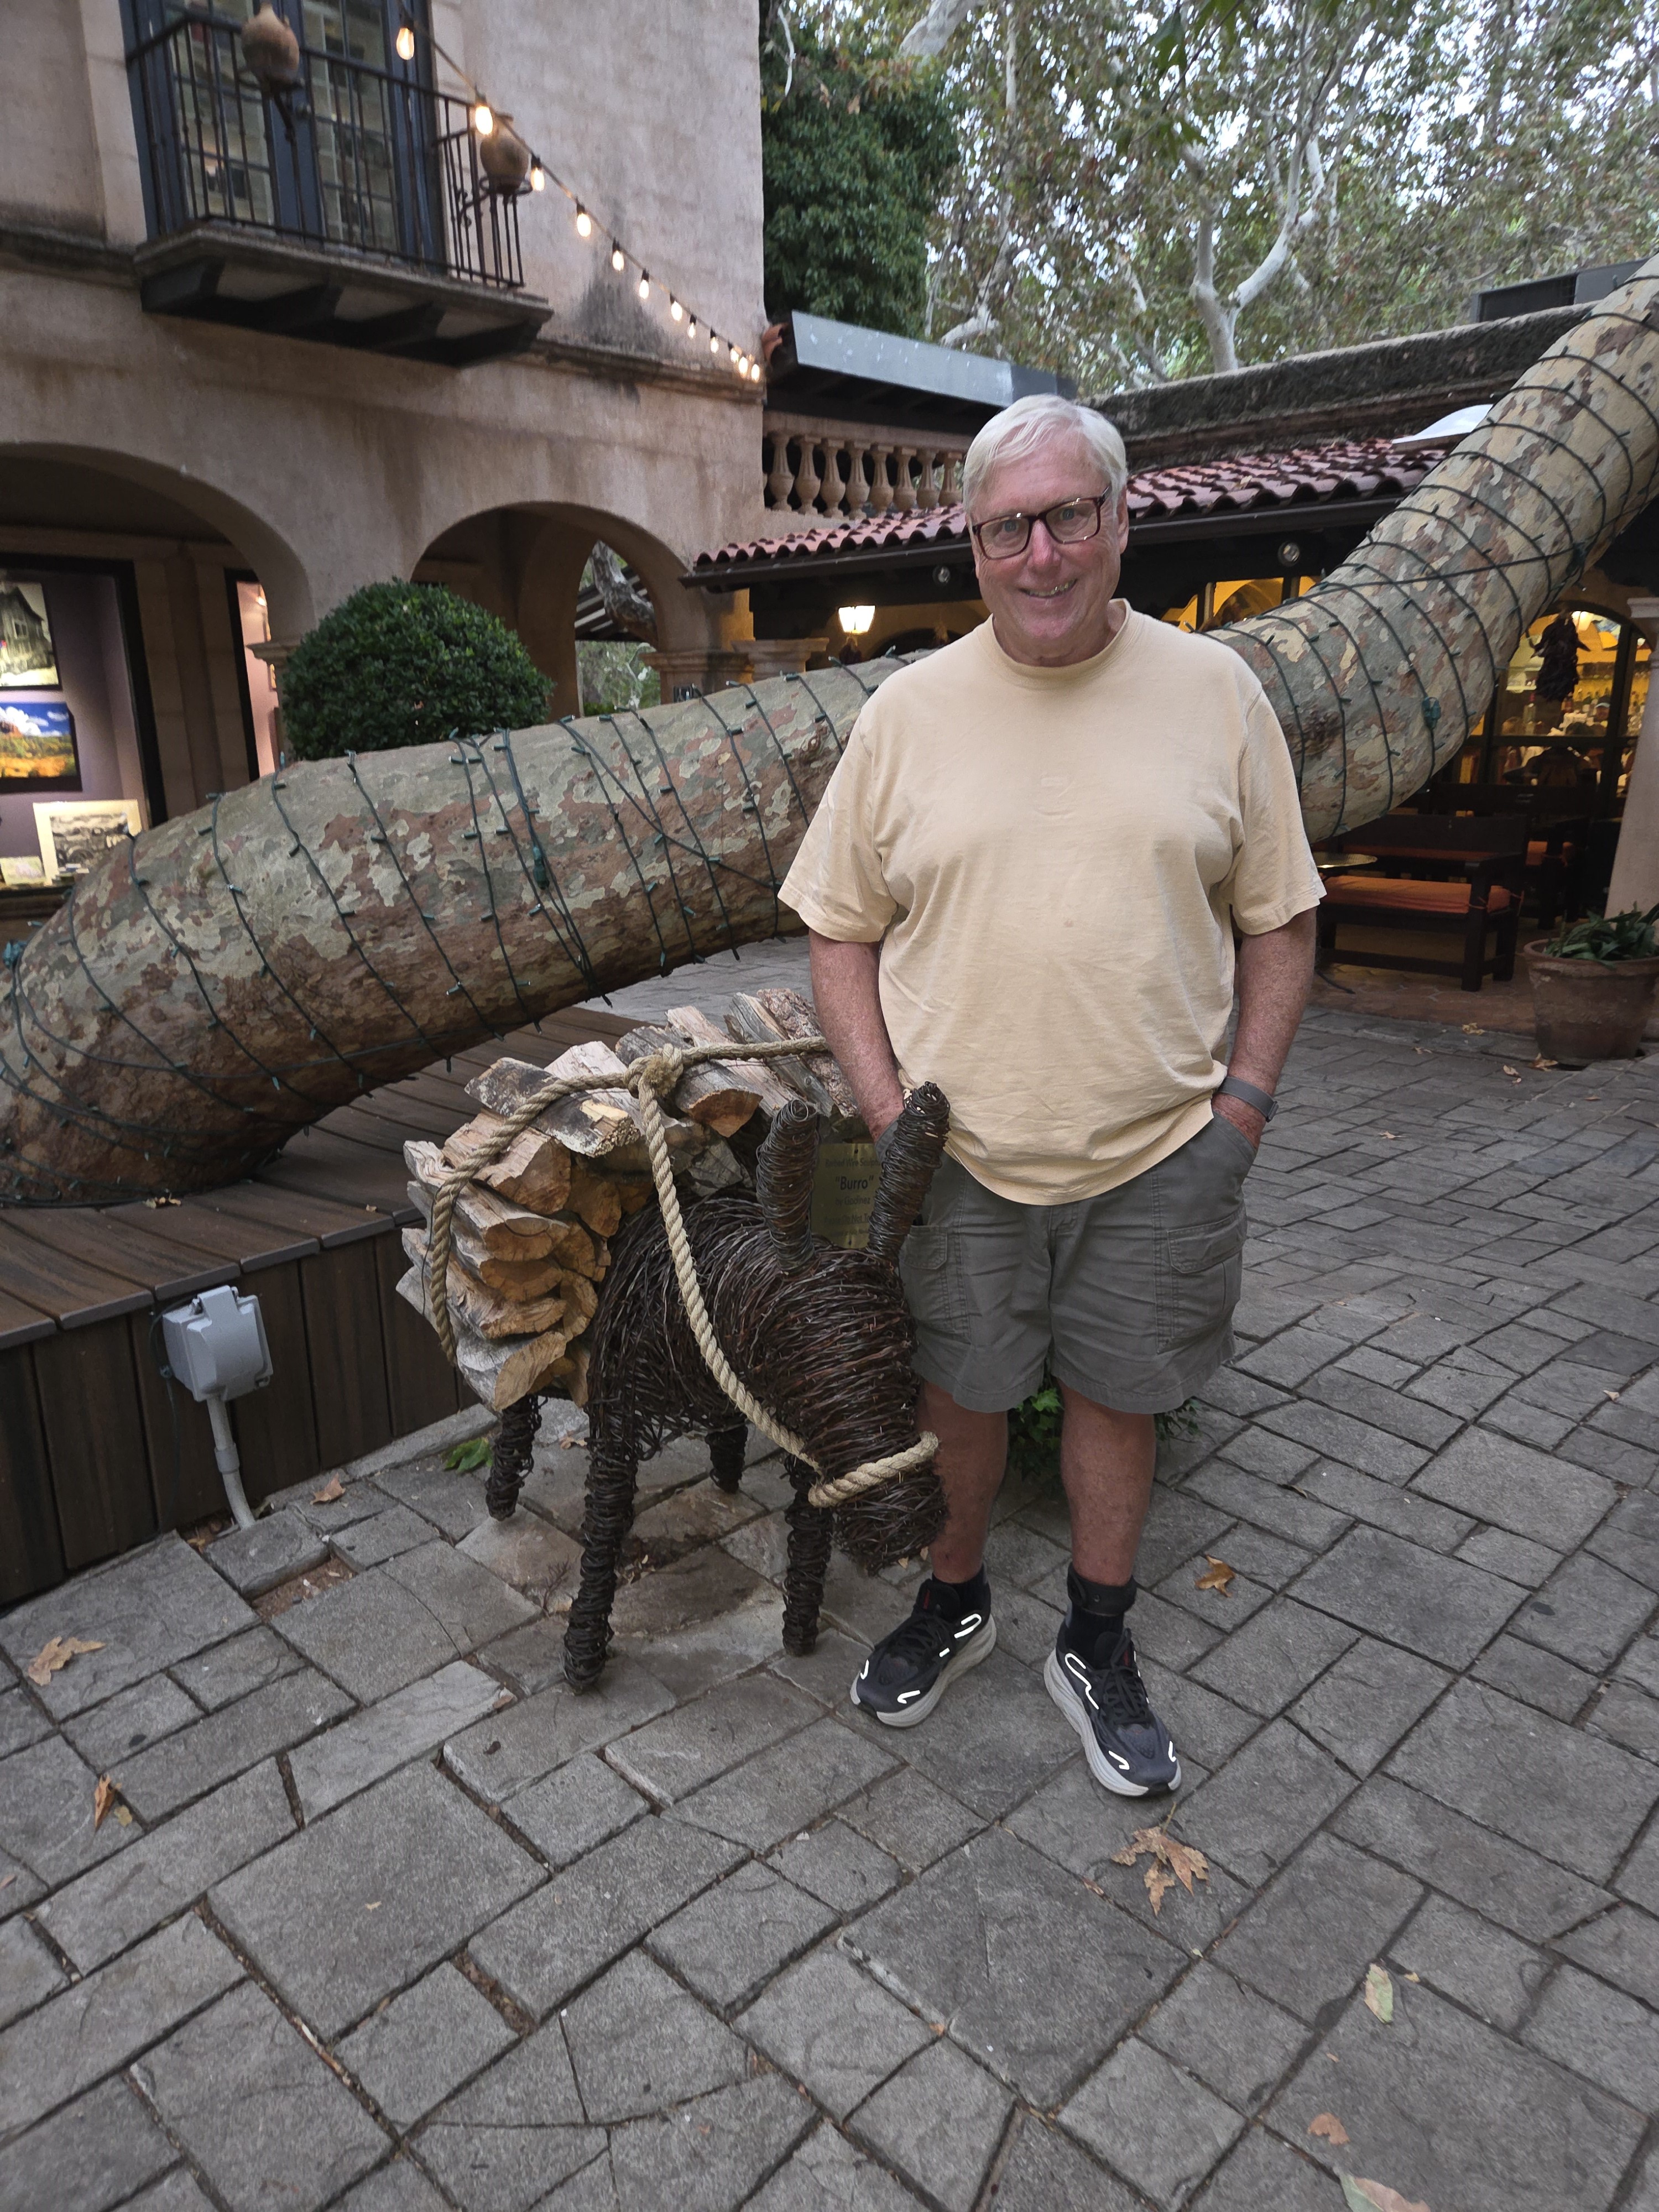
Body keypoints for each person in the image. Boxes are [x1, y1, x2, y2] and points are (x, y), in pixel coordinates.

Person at [779, 393, 1323, 1798]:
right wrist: (889, 1119)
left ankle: (1096, 1636)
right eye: (1007, 526)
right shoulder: (906, 714)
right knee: (958, 1393)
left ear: (1120, 519)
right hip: (958, 1157)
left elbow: (1281, 917)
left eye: (1068, 515)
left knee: (1119, 1397)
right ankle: (954, 1598)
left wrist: (1243, 1112)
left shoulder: (1217, 694)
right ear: (972, 542)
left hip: (1162, 1152)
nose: (1040, 553)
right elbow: (837, 932)